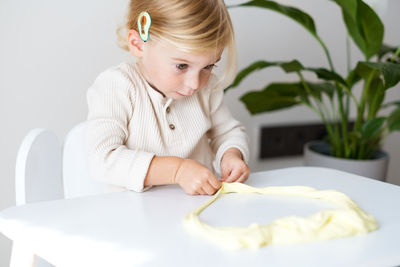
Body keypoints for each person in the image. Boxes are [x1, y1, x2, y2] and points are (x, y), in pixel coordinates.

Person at [86, 0, 250, 196]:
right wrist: (178, 171)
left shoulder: (207, 89)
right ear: (138, 45)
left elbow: (227, 133)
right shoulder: (116, 86)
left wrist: (231, 155)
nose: (195, 84)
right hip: (132, 217)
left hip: (198, 210)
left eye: (208, 66)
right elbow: (103, 160)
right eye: (182, 66)